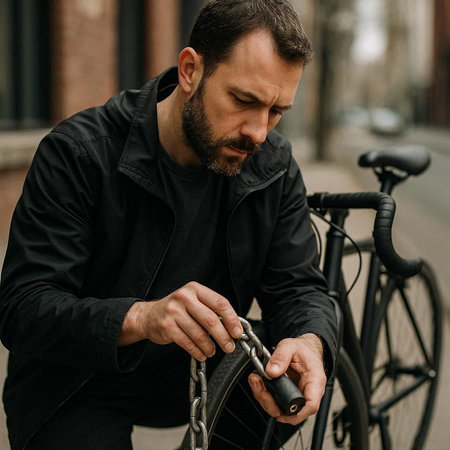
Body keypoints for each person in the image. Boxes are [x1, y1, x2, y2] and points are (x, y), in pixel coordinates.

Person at [0, 0, 338, 448]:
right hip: (78, 380)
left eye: (276, 112)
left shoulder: (273, 167)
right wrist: (143, 316)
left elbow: (298, 287)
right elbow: (23, 308)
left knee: (291, 350)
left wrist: (310, 343)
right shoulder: (78, 153)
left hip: (205, 374)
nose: (258, 132)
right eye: (243, 100)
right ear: (190, 70)